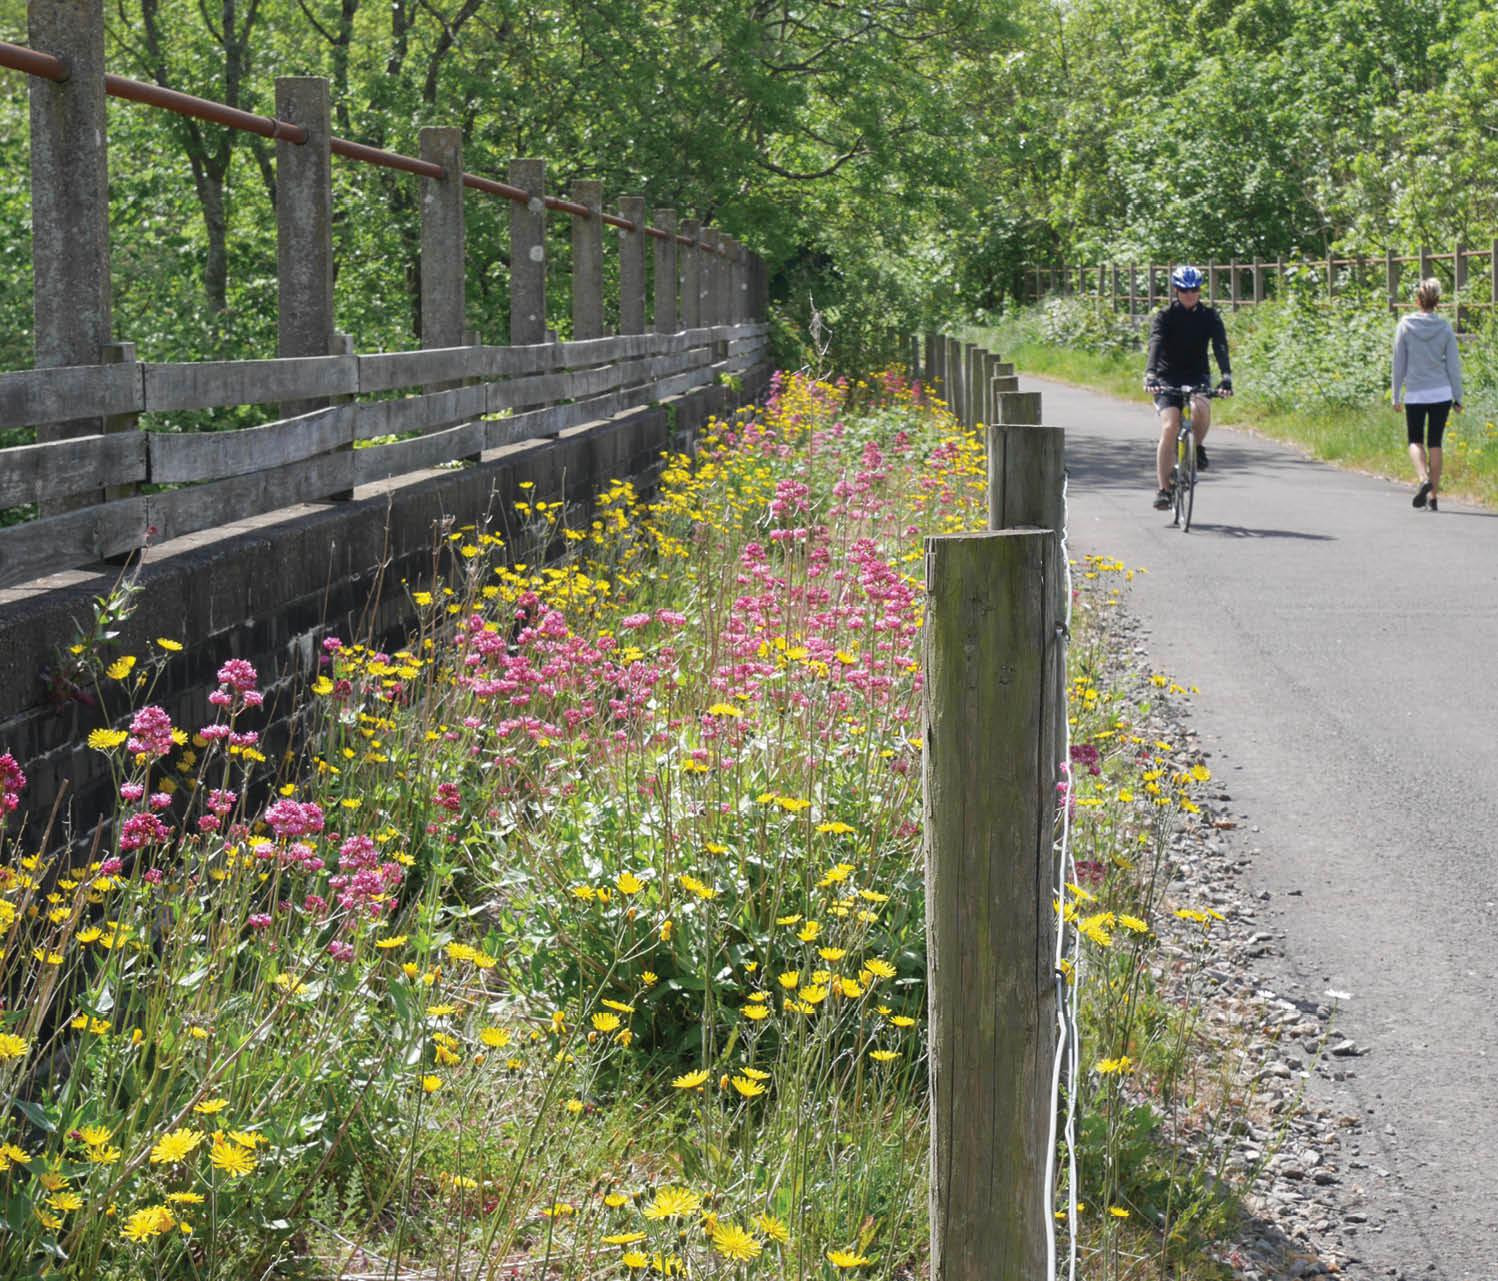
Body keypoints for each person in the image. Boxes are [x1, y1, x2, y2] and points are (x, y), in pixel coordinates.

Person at [1143, 265, 1233, 509]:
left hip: (1197, 375)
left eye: (1194, 289)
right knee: (1170, 426)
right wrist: (1150, 374)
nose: (1190, 294)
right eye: (1184, 290)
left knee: (1201, 409)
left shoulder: (1210, 316)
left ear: (1200, 290)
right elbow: (1156, 343)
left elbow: (1220, 346)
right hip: (1167, 377)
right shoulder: (1165, 316)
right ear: (1176, 290)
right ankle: (1163, 490)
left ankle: (1198, 447)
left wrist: (1226, 377)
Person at [1392, 277, 1463, 512]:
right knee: (1435, 442)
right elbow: (1453, 365)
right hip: (1441, 392)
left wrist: (1395, 396)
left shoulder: (1405, 325)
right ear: (1438, 302)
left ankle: (1423, 478)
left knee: (1415, 440)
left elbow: (1398, 363)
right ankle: (1433, 497)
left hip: (1415, 393)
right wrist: (1458, 397)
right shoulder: (1444, 328)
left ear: (1417, 301)